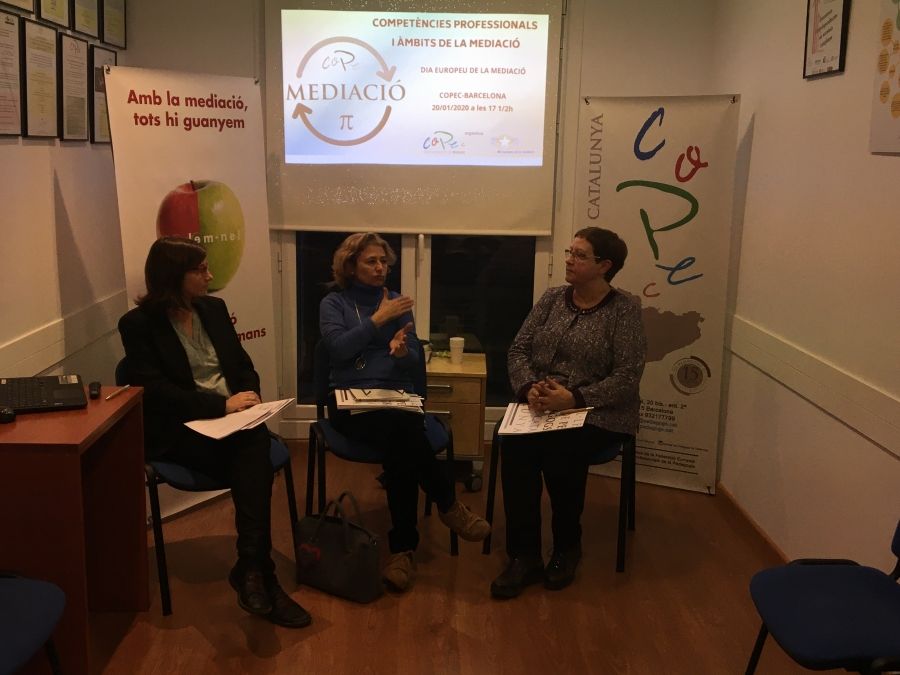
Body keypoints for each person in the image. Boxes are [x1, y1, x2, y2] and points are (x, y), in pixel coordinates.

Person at [118, 236, 310, 628]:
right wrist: (220, 406)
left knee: (250, 440)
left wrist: (250, 395)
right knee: (254, 451)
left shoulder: (213, 309)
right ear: (174, 275)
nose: (210, 276)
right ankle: (260, 573)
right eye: (200, 269)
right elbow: (155, 391)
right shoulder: (138, 325)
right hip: (181, 429)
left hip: (233, 424)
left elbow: (241, 364)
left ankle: (253, 570)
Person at [319, 232, 491, 592]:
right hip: (349, 401)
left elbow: (413, 358)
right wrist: (377, 320)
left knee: (400, 439)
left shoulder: (397, 302)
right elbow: (337, 350)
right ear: (350, 266)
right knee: (404, 436)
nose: (380, 268)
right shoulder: (334, 303)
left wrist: (402, 354)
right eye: (371, 261)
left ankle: (403, 551)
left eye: (384, 261)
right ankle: (446, 505)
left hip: (396, 397)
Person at [490, 227, 646, 599]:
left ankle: (566, 547)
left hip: (599, 411)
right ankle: (524, 555)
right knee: (516, 445)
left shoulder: (624, 311)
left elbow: (627, 376)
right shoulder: (552, 299)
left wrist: (574, 398)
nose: (569, 260)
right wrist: (529, 388)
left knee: (561, 445)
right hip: (542, 403)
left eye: (579, 255)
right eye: (569, 252)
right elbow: (518, 350)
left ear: (604, 266)